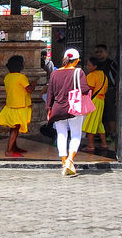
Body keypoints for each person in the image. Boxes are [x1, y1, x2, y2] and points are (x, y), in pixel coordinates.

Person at [44, 47, 91, 177]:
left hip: (58, 108)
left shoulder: (55, 73)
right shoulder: (78, 72)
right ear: (76, 61)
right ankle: (70, 160)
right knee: (76, 134)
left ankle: (64, 164)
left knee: (61, 135)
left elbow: (50, 93)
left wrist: (49, 108)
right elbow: (85, 89)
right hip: (73, 107)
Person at [0, 54, 33, 157]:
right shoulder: (21, 77)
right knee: (15, 128)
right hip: (20, 106)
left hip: (10, 105)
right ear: (20, 66)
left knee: (13, 128)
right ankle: (9, 150)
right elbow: (29, 89)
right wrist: (34, 84)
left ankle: (14, 147)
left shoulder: (7, 77)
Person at [81, 57, 108, 153]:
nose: (88, 67)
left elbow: (89, 89)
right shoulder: (103, 75)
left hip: (94, 100)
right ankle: (104, 143)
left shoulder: (92, 75)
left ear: (95, 66)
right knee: (99, 123)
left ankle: (90, 145)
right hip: (101, 100)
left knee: (90, 123)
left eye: (89, 65)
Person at [94, 43, 118, 146]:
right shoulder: (95, 65)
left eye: (101, 51)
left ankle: (111, 133)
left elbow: (117, 76)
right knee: (100, 114)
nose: (99, 54)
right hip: (98, 93)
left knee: (110, 113)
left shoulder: (112, 64)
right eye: (97, 52)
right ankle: (101, 134)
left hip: (109, 91)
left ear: (106, 52)